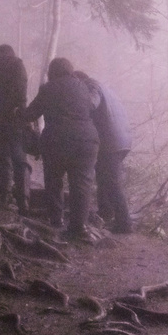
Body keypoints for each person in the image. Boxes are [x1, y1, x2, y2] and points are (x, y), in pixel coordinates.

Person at [25, 57, 99, 241]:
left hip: (56, 141)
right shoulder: (83, 87)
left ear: (52, 72)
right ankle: (78, 227)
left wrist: (17, 113)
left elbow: (31, 113)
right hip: (86, 141)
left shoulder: (48, 89)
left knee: (54, 180)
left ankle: (56, 220)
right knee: (81, 184)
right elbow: (93, 105)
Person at [74, 70, 133, 233]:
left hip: (110, 141)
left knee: (112, 182)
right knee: (103, 177)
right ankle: (105, 214)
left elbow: (92, 103)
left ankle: (125, 223)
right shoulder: (105, 88)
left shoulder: (91, 85)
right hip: (120, 139)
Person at [0, 44, 30, 215]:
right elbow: (22, 95)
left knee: (3, 153)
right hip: (13, 118)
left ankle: (4, 195)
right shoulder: (17, 65)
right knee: (18, 157)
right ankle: (23, 201)